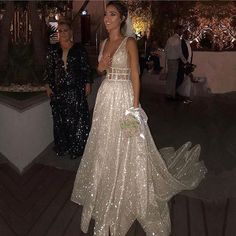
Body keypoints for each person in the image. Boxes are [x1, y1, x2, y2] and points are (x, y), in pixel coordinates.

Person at [71, 1, 207, 236]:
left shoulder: (130, 42)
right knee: (104, 143)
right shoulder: (104, 42)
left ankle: (126, 186)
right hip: (105, 98)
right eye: (106, 14)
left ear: (122, 18)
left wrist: (134, 107)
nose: (107, 18)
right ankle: (105, 187)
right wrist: (101, 67)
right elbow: (101, 70)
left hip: (124, 99)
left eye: (112, 14)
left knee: (130, 143)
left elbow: (135, 74)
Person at [44, 18, 92, 159]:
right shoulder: (53, 50)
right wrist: (47, 85)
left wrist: (88, 83)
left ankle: (76, 148)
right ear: (57, 33)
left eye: (65, 30)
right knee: (60, 119)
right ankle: (63, 146)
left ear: (71, 32)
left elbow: (86, 68)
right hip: (59, 90)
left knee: (77, 119)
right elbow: (48, 70)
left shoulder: (79, 49)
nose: (63, 33)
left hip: (76, 89)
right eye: (60, 31)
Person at [165, 25, 187, 100]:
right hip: (174, 60)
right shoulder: (178, 40)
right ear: (178, 30)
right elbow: (180, 52)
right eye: (181, 30)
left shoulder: (170, 39)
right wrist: (185, 61)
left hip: (169, 60)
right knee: (174, 78)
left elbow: (166, 50)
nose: (182, 32)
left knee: (169, 77)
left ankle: (168, 93)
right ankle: (172, 94)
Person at [176, 30, 194, 104]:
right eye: (187, 34)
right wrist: (184, 64)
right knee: (181, 80)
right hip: (183, 64)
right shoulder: (181, 43)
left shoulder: (188, 43)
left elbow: (189, 54)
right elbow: (181, 55)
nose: (188, 35)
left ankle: (183, 97)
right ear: (184, 35)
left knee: (185, 81)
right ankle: (181, 96)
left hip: (187, 64)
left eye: (189, 34)